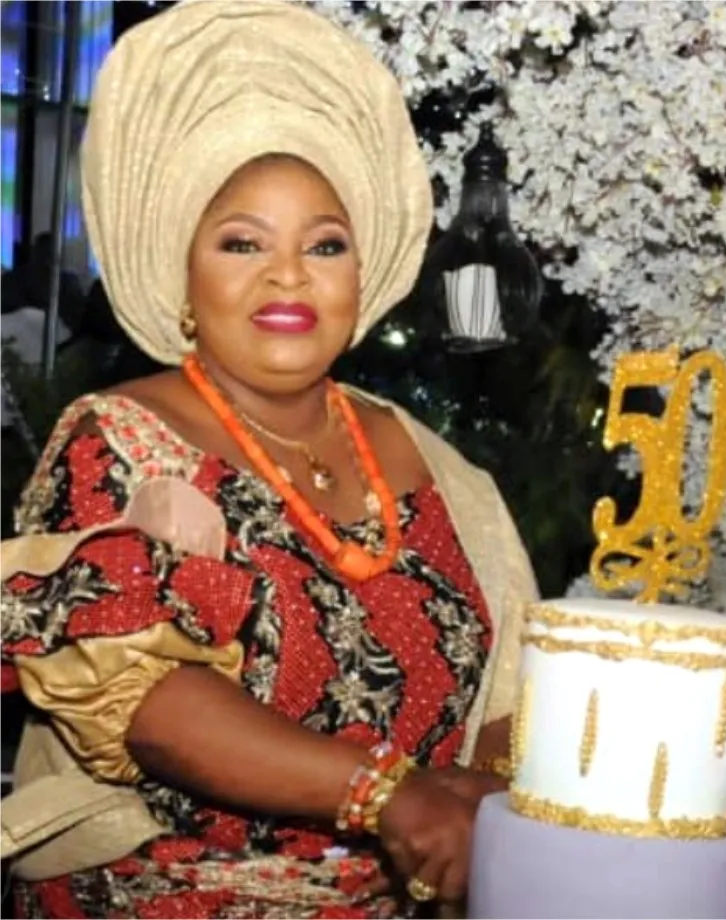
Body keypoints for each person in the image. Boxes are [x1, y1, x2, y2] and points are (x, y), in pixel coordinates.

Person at [0, 2, 538, 918]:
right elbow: (147, 700)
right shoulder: (118, 440)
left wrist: (490, 800)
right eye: (242, 242)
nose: (288, 275)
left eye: (324, 245)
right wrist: (385, 795)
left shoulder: (437, 467)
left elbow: (510, 686)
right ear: (183, 272)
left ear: (360, 274)